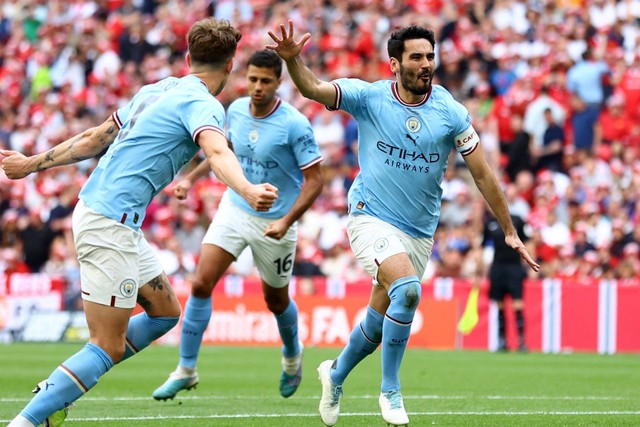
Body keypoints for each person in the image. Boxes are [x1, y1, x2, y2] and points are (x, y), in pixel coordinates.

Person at [1, 18, 278, 427]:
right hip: (107, 223)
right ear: (231, 64)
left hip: (116, 221)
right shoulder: (203, 105)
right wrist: (247, 189)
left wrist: (31, 164)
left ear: (187, 58)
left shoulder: (158, 88)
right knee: (107, 345)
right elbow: (217, 153)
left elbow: (95, 138)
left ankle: (63, 387)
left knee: (166, 312)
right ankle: (31, 417)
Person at [266, 21, 540, 427]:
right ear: (394, 63)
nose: (426, 64)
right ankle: (390, 390)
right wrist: (292, 60)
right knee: (408, 292)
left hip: (418, 232)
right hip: (370, 217)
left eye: (430, 56)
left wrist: (510, 230)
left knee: (377, 324)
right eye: (416, 57)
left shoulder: (450, 112)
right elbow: (314, 89)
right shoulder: (369, 97)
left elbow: (482, 173)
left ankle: (335, 373)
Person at [152, 49, 323, 401]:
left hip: (275, 221)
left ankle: (292, 356)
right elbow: (223, 150)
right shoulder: (235, 110)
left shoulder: (294, 124)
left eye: (265, 81)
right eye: (252, 79)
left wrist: (286, 221)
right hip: (235, 207)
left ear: (279, 82)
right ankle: (186, 369)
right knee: (201, 283)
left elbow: (316, 181)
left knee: (275, 301)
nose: (257, 87)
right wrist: (192, 179)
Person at [482, 212, 531, 352]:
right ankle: (502, 341)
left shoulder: (517, 219)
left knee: (518, 304)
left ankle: (521, 341)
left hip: (514, 266)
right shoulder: (489, 223)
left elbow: (527, 241)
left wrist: (528, 264)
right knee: (500, 304)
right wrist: (482, 272)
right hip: (497, 267)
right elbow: (484, 247)